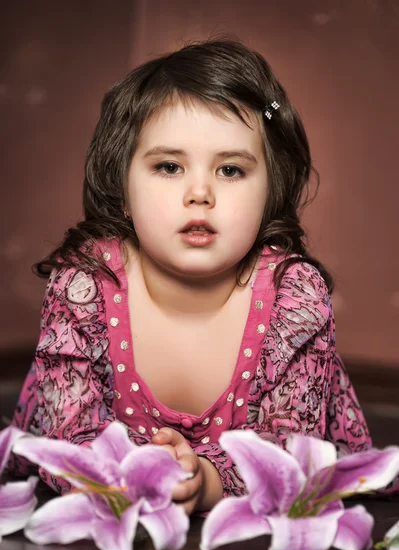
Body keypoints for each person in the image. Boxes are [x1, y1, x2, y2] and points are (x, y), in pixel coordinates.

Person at [11, 37, 372, 513]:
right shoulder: (85, 284)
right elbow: (67, 436)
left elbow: (286, 450)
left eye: (229, 170)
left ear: (271, 190)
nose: (199, 192)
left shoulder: (292, 295)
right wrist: (137, 478)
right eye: (168, 166)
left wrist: (207, 481)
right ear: (121, 188)